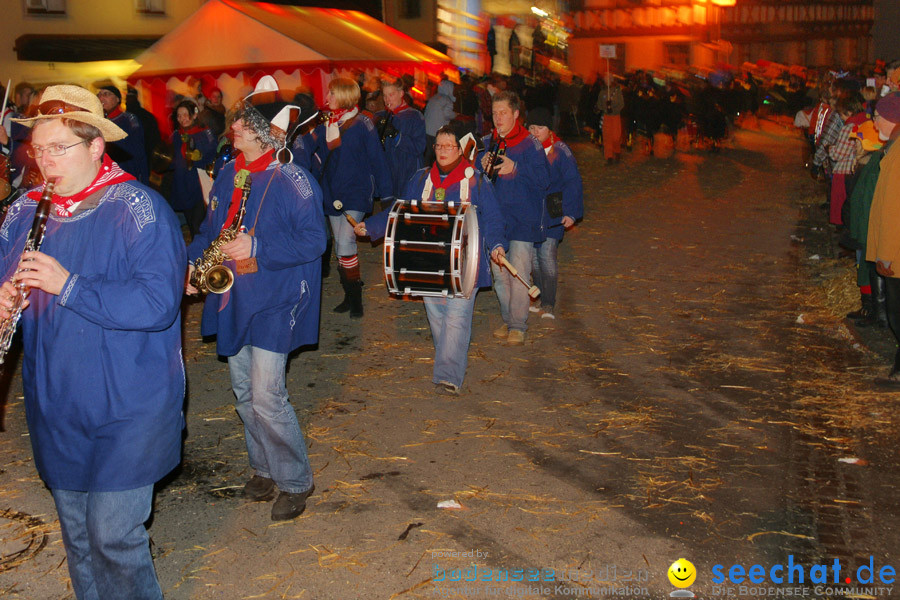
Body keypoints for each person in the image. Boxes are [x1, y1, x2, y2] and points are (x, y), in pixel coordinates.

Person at [0, 84, 186, 600]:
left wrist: (69, 285)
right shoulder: (23, 211)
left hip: (130, 401)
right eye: (38, 149)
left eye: (59, 148)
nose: (45, 161)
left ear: (96, 146)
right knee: (79, 537)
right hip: (57, 399)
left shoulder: (139, 208)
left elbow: (157, 305)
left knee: (113, 536)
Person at [186, 76, 324, 520]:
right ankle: (263, 467)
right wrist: (191, 266)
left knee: (267, 396)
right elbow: (209, 231)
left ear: (264, 131)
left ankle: (295, 480)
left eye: (243, 124)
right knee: (244, 392)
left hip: (277, 298)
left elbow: (315, 241)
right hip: (235, 297)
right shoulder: (229, 171)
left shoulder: (294, 178)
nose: (234, 130)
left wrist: (258, 248)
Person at [354, 125, 507, 394]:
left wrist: (496, 245)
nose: (443, 151)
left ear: (461, 151)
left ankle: (448, 375)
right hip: (426, 263)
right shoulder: (421, 179)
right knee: (437, 317)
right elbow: (398, 209)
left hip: (465, 266)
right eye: (439, 145)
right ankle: (448, 360)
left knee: (457, 318)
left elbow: (493, 219)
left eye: (449, 146)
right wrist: (372, 227)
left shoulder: (477, 181)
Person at [311, 77, 392, 318]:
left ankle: (355, 298)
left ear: (345, 96)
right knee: (340, 248)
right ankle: (349, 292)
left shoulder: (362, 124)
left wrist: (387, 195)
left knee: (346, 242)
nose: (327, 99)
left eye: (332, 94)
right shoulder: (328, 124)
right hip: (332, 194)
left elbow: (378, 159)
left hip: (355, 193)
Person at [477, 90, 550, 345]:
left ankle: (518, 324)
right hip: (497, 219)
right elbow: (478, 174)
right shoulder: (489, 141)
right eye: (494, 113)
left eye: (503, 113)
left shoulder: (530, 144)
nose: (498, 118)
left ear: (516, 114)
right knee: (500, 273)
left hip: (523, 218)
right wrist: (480, 161)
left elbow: (543, 180)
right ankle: (509, 318)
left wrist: (516, 168)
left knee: (518, 271)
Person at [525, 107, 583, 320]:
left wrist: (571, 212)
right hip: (532, 214)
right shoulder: (527, 150)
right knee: (533, 259)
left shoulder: (560, 151)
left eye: (540, 127)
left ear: (549, 130)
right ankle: (539, 297)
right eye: (531, 127)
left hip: (553, 212)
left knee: (547, 257)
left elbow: (573, 182)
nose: (535, 131)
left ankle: (549, 303)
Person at [866, 93, 900, 386]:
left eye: (878, 115)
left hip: (897, 255)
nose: (874, 120)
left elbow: (893, 210)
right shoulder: (894, 148)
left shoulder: (899, 154)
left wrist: (886, 254)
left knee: (898, 313)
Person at [169, 99, 217, 238]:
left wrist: (200, 156)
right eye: (179, 116)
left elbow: (213, 155)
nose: (182, 119)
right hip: (183, 185)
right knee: (190, 223)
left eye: (185, 114)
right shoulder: (176, 136)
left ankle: (202, 254)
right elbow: (171, 159)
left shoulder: (205, 133)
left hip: (200, 184)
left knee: (198, 224)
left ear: (194, 115)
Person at [378, 78, 426, 209]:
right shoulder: (383, 116)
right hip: (389, 181)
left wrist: (397, 136)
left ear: (401, 93)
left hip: (407, 179)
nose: (387, 100)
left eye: (391, 95)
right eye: (385, 95)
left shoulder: (414, 116)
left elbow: (419, 147)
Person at [96, 85, 149, 184]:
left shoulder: (129, 119)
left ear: (117, 99)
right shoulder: (97, 122)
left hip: (126, 174)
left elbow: (139, 152)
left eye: (106, 94)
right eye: (99, 95)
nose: (101, 98)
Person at [423, 79, 457, 164]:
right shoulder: (447, 100)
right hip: (436, 132)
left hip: (427, 131)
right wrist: (456, 115)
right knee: (436, 156)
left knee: (427, 156)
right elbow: (448, 114)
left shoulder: (434, 98)